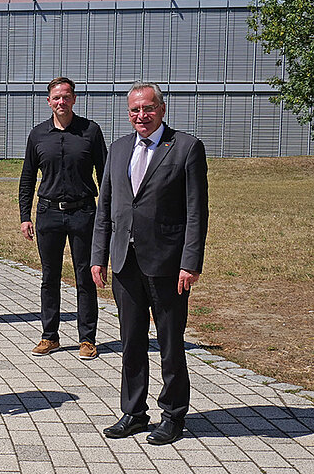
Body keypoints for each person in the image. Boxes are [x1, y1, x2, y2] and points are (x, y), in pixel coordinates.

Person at [91, 81, 208, 446]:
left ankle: (173, 414)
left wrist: (190, 262)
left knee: (170, 343)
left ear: (162, 109)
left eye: (148, 109)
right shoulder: (119, 148)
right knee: (131, 341)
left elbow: (196, 211)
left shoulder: (186, 147)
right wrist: (98, 256)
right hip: (125, 261)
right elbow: (106, 207)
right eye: (134, 110)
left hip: (168, 264)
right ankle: (134, 412)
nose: (141, 116)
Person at [18, 77, 107, 359]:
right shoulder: (37, 134)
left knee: (85, 276)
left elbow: (104, 177)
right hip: (48, 213)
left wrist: (106, 217)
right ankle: (49, 336)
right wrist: (25, 216)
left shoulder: (90, 132)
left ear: (74, 99)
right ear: (49, 101)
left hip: (83, 212)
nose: (61, 102)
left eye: (66, 97)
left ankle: (87, 338)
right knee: (49, 277)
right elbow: (28, 178)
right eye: (56, 97)